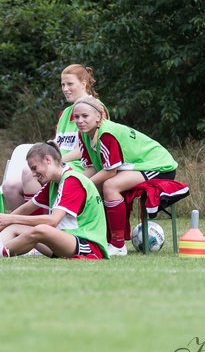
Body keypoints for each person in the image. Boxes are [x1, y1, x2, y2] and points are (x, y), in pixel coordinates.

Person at [70, 95, 177, 256]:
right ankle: (94, 237)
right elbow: (92, 168)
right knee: (89, 186)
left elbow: (110, 172)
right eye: (76, 117)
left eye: (85, 116)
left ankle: (118, 246)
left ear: (98, 117)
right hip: (136, 167)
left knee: (110, 185)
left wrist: (85, 185)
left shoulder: (106, 134)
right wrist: (76, 183)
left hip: (159, 165)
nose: (80, 120)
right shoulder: (83, 135)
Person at [0, 142, 107, 259]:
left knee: (41, 229)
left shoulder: (72, 180)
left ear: (47, 160)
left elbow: (53, 221)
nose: (32, 174)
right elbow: (24, 209)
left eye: (34, 168)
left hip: (88, 246)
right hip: (66, 243)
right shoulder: (53, 183)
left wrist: (12, 219)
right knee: (15, 227)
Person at [3, 63, 96, 207]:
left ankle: (37, 225)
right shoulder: (66, 113)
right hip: (60, 162)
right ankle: (25, 224)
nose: (65, 89)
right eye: (63, 84)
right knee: (10, 187)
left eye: (70, 84)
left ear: (83, 84)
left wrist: (55, 159)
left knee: (30, 171)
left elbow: (87, 150)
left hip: (80, 166)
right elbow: (58, 143)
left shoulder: (95, 108)